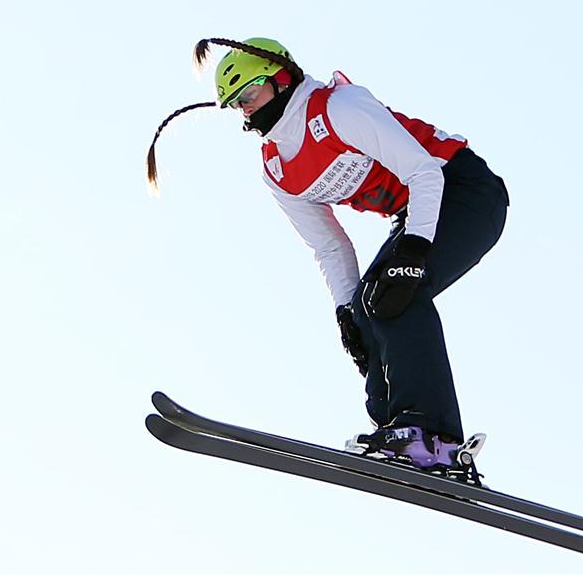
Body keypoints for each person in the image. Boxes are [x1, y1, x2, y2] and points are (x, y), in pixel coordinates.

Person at [147, 37, 509, 469]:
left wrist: (413, 248)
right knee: (366, 307)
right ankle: (400, 435)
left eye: (250, 93)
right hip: (417, 212)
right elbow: (329, 244)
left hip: (462, 190)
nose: (245, 108)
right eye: (236, 104)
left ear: (282, 78)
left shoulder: (338, 109)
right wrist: (346, 313)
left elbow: (424, 170)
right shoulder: (278, 169)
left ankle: (433, 436)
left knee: (395, 292)